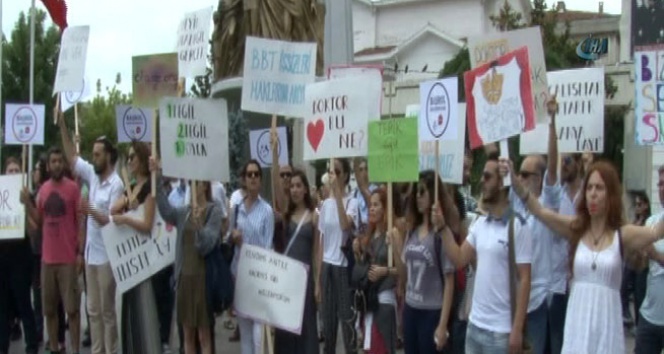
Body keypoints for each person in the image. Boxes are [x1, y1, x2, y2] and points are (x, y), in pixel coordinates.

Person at [505, 158, 664, 353]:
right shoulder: (576, 229)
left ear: (611, 194)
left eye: (599, 188)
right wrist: (514, 181)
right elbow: (540, 211)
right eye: (589, 188)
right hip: (578, 324)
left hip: (607, 326)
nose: (593, 194)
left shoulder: (622, 234)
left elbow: (656, 232)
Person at [436, 155, 533, 354]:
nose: (481, 181)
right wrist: (442, 228)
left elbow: (525, 279)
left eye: (487, 177)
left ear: (502, 182)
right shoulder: (480, 223)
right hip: (474, 326)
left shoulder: (518, 225)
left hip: (501, 332)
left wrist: (516, 330)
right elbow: (459, 258)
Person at [59, 112, 124, 354]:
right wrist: (63, 125)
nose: (94, 158)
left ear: (108, 156)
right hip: (91, 256)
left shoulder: (116, 183)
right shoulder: (92, 176)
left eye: (97, 154)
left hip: (107, 257)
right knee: (93, 311)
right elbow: (72, 158)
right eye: (93, 154)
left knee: (107, 312)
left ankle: (111, 350)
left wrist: (91, 210)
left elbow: (113, 220)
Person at [153, 158, 221, 354]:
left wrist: (199, 225)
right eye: (191, 182)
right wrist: (157, 178)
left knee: (204, 336)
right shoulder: (184, 212)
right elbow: (166, 212)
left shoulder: (213, 211)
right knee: (188, 336)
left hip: (202, 281)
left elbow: (207, 245)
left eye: (197, 182)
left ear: (204, 186)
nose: (194, 186)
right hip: (184, 279)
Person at [21, 147, 83, 354]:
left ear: (63, 164)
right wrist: (26, 204)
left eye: (59, 161)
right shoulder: (43, 190)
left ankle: (74, 349)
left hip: (67, 259)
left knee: (72, 310)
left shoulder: (73, 189)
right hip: (47, 260)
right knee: (49, 311)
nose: (56, 164)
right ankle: (55, 348)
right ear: (48, 166)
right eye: (53, 161)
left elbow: (80, 221)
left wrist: (80, 253)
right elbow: (38, 221)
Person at [109, 142, 161, 354]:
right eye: (128, 158)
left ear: (141, 159)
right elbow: (113, 209)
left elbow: (147, 224)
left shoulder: (150, 187)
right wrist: (127, 204)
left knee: (145, 313)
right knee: (130, 313)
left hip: (146, 260)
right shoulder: (131, 186)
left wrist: (127, 219)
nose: (129, 161)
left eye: (132, 157)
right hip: (131, 260)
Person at [399, 170, 457, 354]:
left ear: (434, 194)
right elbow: (404, 274)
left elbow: (449, 280)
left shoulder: (441, 234)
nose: (418, 196)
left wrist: (442, 325)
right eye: (416, 191)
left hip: (431, 312)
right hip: (410, 309)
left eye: (423, 191)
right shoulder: (412, 231)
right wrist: (395, 244)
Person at [229, 160, 275, 354]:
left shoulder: (266, 210)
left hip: (258, 278)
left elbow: (268, 247)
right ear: (244, 179)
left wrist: (245, 245)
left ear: (261, 179)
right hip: (239, 277)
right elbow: (229, 235)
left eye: (257, 174)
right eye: (250, 174)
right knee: (246, 335)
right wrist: (233, 237)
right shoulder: (237, 207)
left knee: (259, 336)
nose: (253, 177)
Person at [273, 169, 320, 354]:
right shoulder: (285, 215)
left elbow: (317, 251)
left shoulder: (314, 216)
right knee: (285, 329)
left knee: (306, 327)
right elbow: (277, 188)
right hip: (286, 281)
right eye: (292, 186)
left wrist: (317, 284)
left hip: (306, 282)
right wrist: (274, 151)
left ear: (306, 189)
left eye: (298, 186)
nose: (294, 190)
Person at [318, 158, 359, 354]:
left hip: (343, 266)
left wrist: (338, 196)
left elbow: (345, 225)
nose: (333, 174)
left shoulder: (352, 202)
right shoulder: (325, 204)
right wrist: (318, 277)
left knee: (346, 319)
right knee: (328, 321)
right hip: (327, 264)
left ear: (344, 176)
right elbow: (321, 242)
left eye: (337, 171)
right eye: (330, 171)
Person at [353, 188, 401, 354]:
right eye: (370, 205)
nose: (371, 208)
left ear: (385, 208)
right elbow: (364, 269)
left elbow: (403, 271)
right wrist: (357, 253)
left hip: (384, 303)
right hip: (368, 302)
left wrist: (385, 271)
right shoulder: (369, 235)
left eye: (376, 205)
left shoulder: (393, 234)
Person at [0, 158, 39, 354]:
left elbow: (34, 231)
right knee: (2, 308)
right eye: (10, 170)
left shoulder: (27, 196)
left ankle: (32, 346)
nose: (14, 173)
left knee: (25, 305)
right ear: (5, 174)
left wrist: (24, 209)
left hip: (21, 260)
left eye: (17, 170)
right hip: (2, 260)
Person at [634, 165, 664, 353]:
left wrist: (655, 255)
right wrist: (639, 255)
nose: (662, 188)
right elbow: (641, 266)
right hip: (650, 317)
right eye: (659, 184)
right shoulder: (651, 223)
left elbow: (654, 255)